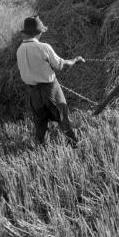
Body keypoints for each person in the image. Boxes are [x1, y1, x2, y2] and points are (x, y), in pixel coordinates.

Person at [16, 15, 85, 147]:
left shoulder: (19, 50)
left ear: (26, 33)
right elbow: (60, 65)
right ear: (39, 32)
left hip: (32, 91)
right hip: (50, 89)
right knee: (62, 117)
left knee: (40, 122)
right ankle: (75, 144)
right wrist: (75, 60)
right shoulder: (44, 47)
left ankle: (42, 147)